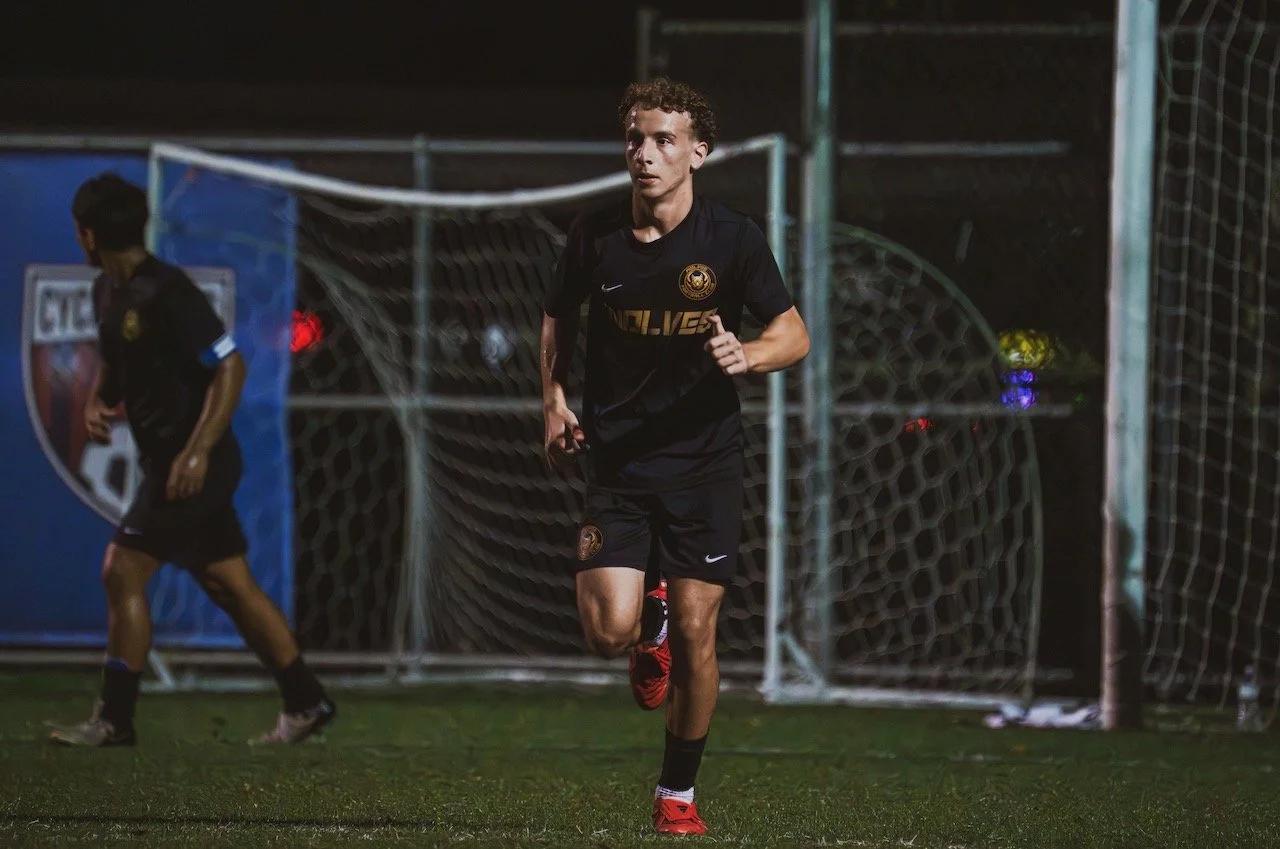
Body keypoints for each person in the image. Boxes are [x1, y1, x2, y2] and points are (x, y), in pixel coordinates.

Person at [541, 78, 809, 836]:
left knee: (700, 634)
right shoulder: (594, 237)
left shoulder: (731, 240)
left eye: (663, 140)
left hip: (704, 465)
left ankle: (676, 793)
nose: (646, 153)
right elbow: (556, 315)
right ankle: (645, 617)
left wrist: (749, 354)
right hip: (619, 464)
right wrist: (552, 398)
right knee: (608, 632)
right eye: (635, 137)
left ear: (699, 152)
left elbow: (795, 333)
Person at [47, 173, 335, 747]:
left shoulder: (168, 291)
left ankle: (114, 721)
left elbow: (231, 366)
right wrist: (100, 404)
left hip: (193, 465)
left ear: (87, 234)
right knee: (229, 582)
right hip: (172, 464)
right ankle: (307, 701)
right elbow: (115, 359)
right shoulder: (109, 292)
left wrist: (198, 451)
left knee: (121, 570)